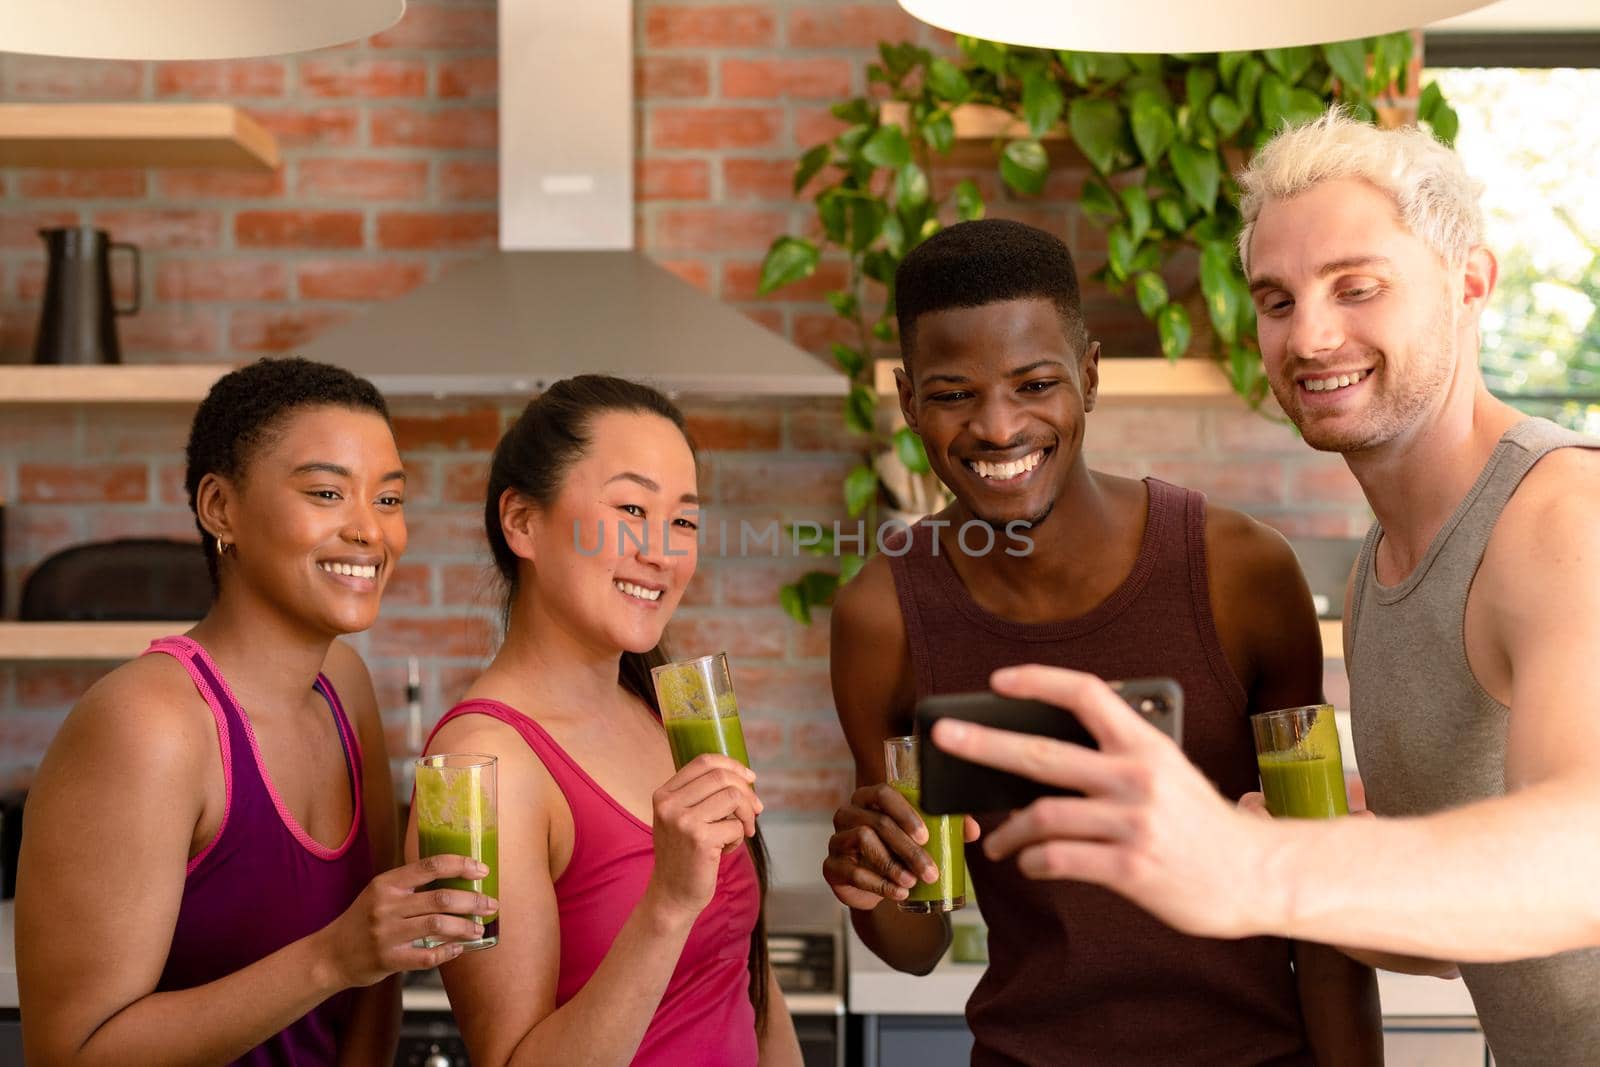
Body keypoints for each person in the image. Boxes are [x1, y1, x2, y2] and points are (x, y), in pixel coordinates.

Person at [930, 110, 1600, 1063]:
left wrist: (1262, 864)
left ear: (1469, 283)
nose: (1312, 334)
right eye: (1277, 301)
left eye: (1357, 288)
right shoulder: (1385, 572)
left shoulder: (1562, 516)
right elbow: (1462, 938)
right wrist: (1250, 852)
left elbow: (1584, 862)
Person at [821, 218, 1380, 1064]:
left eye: (1034, 383)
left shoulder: (1242, 574)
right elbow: (916, 939)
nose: (999, 428)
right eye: (952, 394)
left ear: (1087, 376)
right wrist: (873, 879)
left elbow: (1324, 903)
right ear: (908, 401)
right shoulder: (884, 614)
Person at [16, 357, 492, 1066]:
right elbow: (72, 1052)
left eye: (389, 499)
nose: (370, 531)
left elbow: (371, 990)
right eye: (328, 492)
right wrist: (333, 955)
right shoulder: (149, 725)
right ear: (220, 509)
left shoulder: (345, 685)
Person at [405, 375, 802, 1066]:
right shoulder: (477, 770)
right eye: (630, 509)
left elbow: (747, 986)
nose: (663, 551)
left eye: (683, 520)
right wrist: (668, 902)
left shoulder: (671, 709)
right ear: (522, 521)